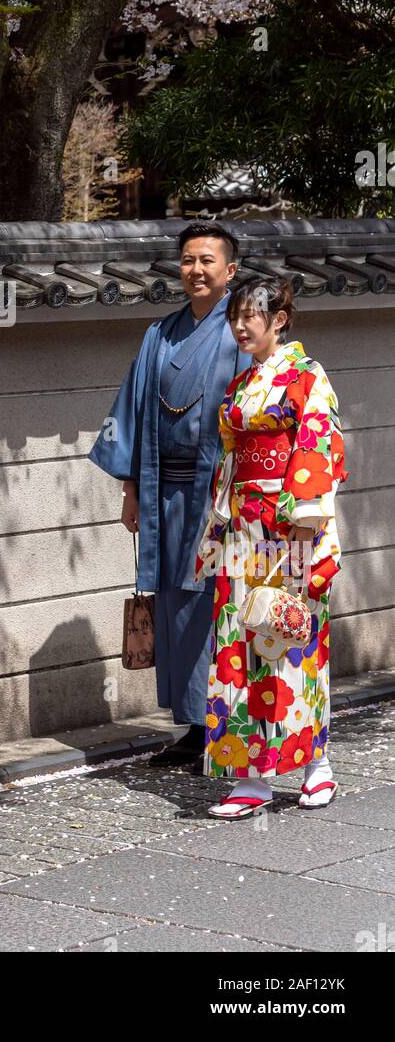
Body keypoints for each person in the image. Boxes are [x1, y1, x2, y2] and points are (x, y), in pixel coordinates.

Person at [89, 222, 251, 768]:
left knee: (215, 602)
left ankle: (227, 723)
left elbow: (259, 420)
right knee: (176, 605)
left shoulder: (242, 334)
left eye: (208, 261)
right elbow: (133, 415)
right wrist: (132, 490)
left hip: (222, 495)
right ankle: (192, 724)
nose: (196, 270)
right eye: (187, 260)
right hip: (164, 492)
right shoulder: (158, 335)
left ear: (230, 271)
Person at [195, 277, 348, 818]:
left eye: (248, 317)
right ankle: (251, 777)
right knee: (239, 642)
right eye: (233, 318)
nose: (239, 327)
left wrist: (306, 528)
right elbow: (231, 460)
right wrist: (218, 528)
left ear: (279, 320)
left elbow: (317, 445)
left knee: (291, 642)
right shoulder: (243, 384)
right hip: (243, 529)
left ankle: (317, 766)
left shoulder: (308, 376)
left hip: (289, 528)